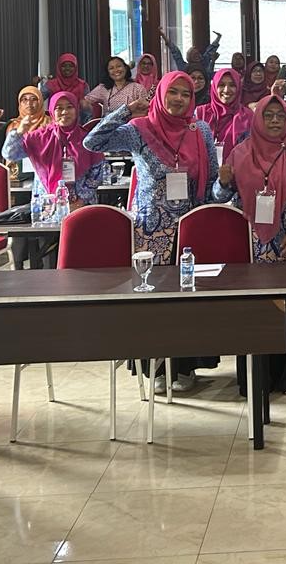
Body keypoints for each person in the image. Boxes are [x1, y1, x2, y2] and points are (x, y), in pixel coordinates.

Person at [84, 72, 219, 392]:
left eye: (185, 94)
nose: (179, 99)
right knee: (154, 300)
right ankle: (155, 370)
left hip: (189, 229)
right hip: (150, 230)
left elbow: (212, 177)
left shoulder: (200, 130)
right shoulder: (139, 129)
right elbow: (93, 142)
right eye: (173, 92)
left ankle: (186, 366)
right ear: (160, 94)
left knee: (188, 300)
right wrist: (126, 110)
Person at [218, 94, 286, 393]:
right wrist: (223, 181)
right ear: (258, 119)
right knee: (258, 308)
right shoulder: (240, 153)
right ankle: (260, 378)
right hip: (254, 244)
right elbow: (221, 196)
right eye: (269, 115)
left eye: (280, 115)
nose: (275, 121)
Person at [4, 92, 105, 213]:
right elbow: (10, 154)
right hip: (46, 206)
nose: (64, 112)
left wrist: (80, 201)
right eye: (59, 108)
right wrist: (19, 132)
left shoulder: (87, 139)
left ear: (77, 109)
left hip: (82, 207)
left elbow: (97, 173)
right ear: (52, 111)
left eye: (69, 107)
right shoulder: (39, 137)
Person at [196, 68, 253, 164]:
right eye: (221, 85)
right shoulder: (200, 113)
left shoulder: (248, 116)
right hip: (204, 170)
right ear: (214, 87)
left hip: (237, 170)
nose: (226, 90)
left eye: (232, 85)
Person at [85, 55, 149, 119]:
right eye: (111, 68)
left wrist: (123, 117)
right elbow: (85, 101)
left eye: (119, 66)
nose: (116, 70)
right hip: (108, 124)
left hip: (131, 123)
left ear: (125, 68)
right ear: (108, 72)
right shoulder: (103, 88)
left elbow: (145, 112)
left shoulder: (138, 88)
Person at [39, 54, 89, 119]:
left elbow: (87, 108)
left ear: (76, 68)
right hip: (56, 120)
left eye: (71, 66)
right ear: (59, 67)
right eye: (64, 66)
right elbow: (38, 100)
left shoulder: (82, 85)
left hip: (78, 121)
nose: (67, 68)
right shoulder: (51, 84)